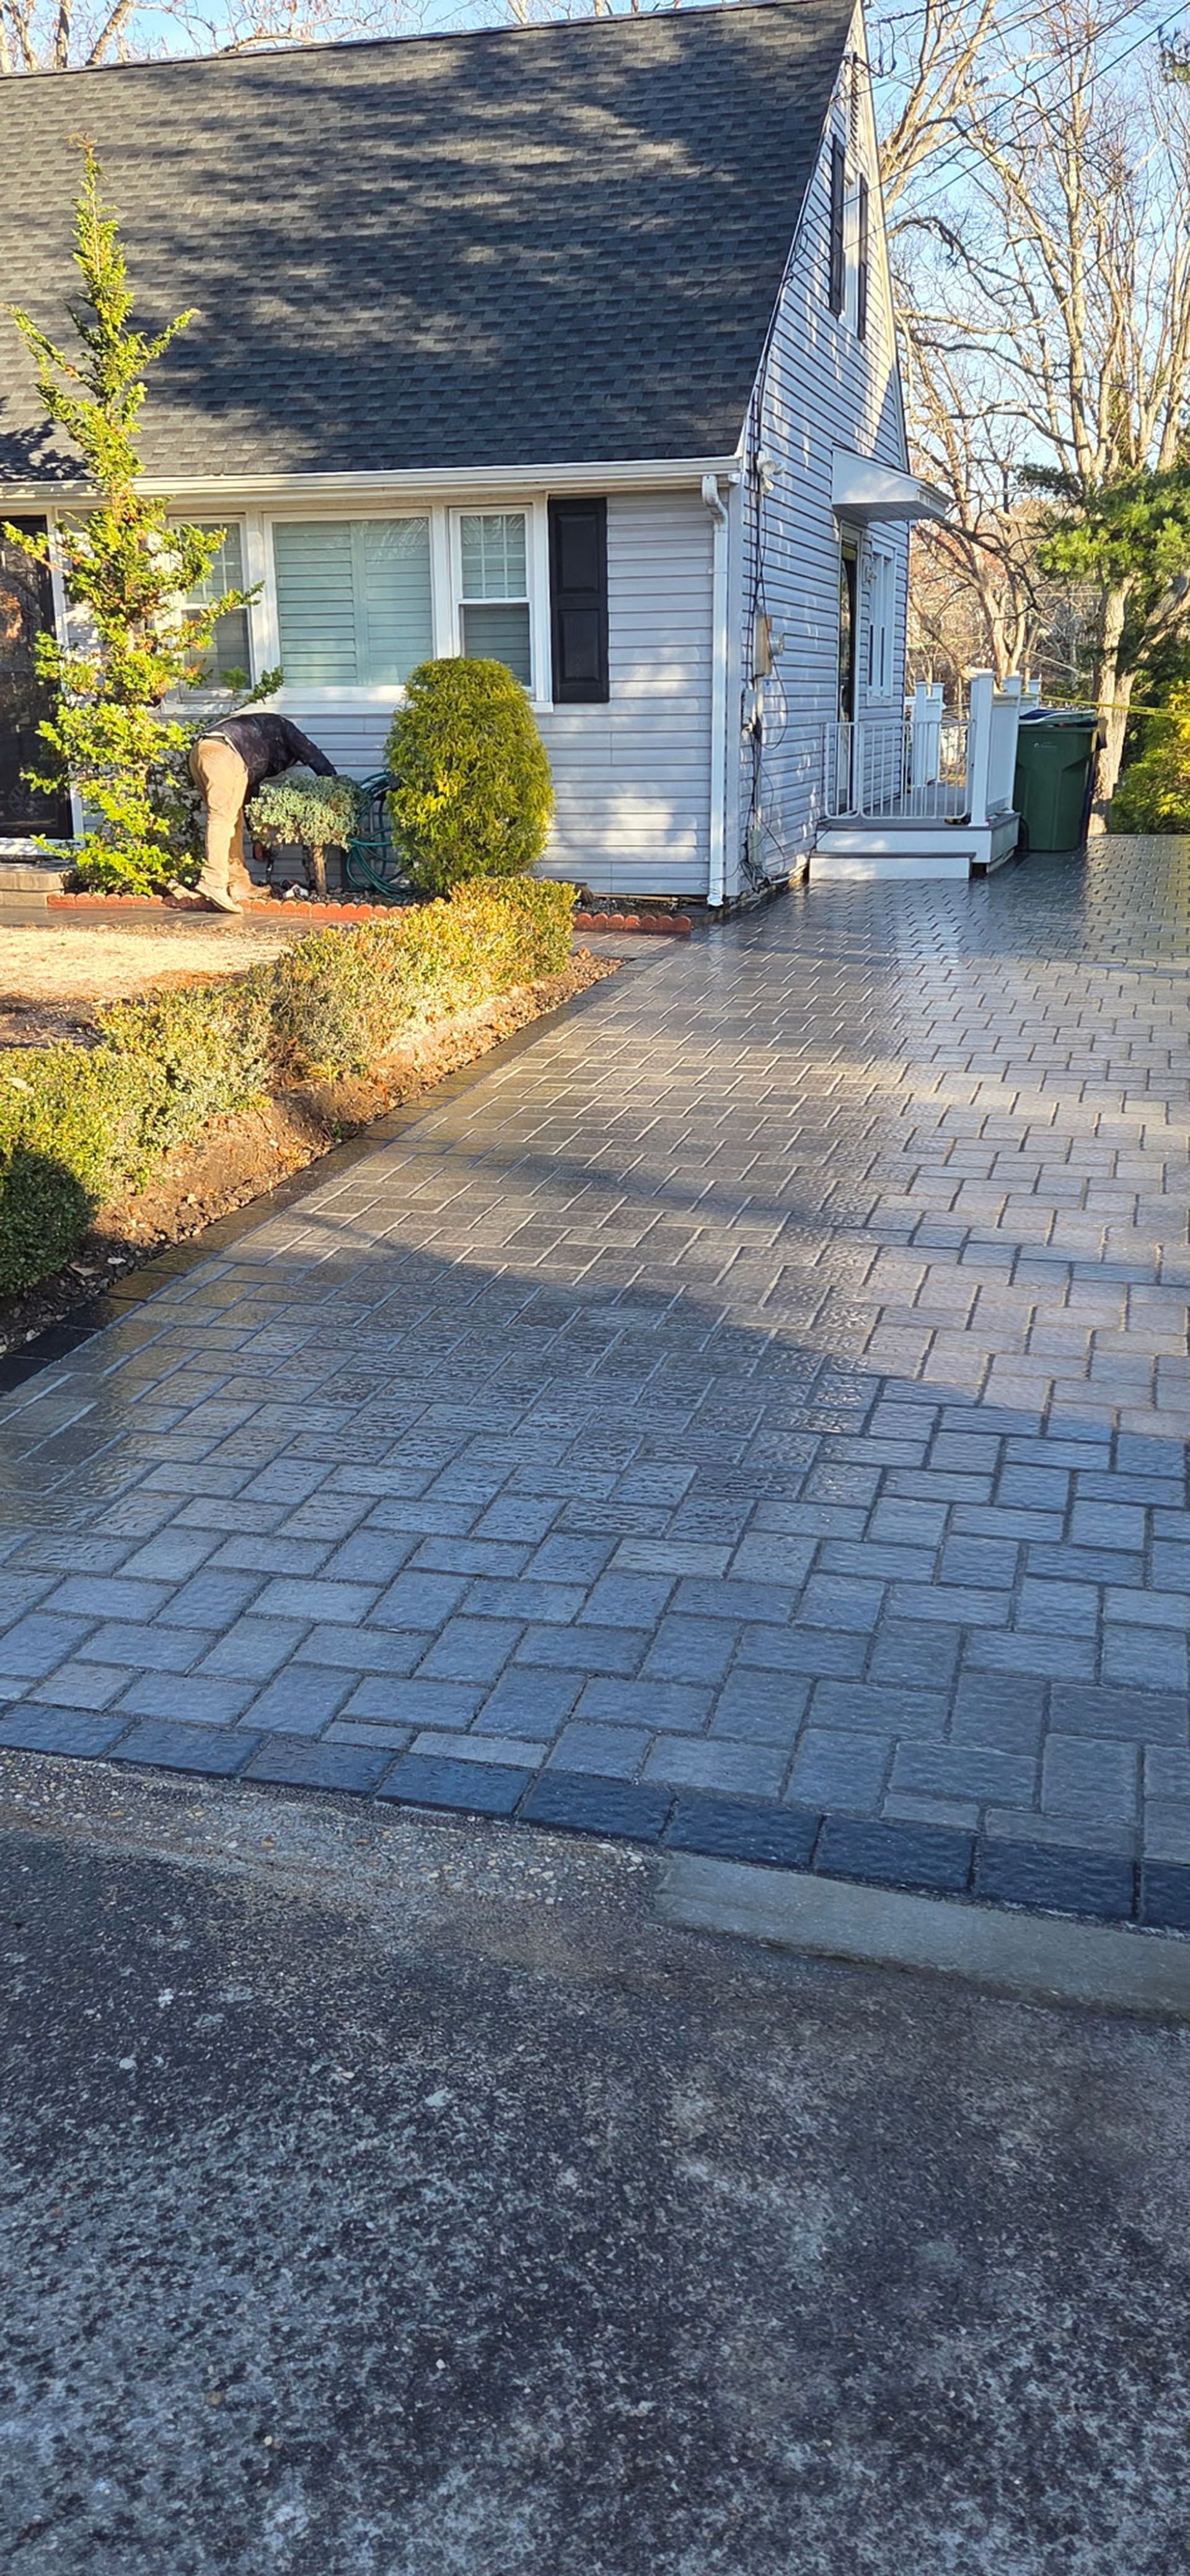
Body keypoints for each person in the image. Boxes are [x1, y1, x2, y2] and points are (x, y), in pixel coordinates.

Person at [187, 713, 338, 915]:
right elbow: (313, 754)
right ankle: (213, 881)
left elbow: (249, 793)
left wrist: (258, 838)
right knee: (222, 818)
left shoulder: (258, 744)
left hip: (203, 752)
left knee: (234, 820)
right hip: (225, 754)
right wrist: (335, 786)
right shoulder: (286, 730)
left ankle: (238, 883)